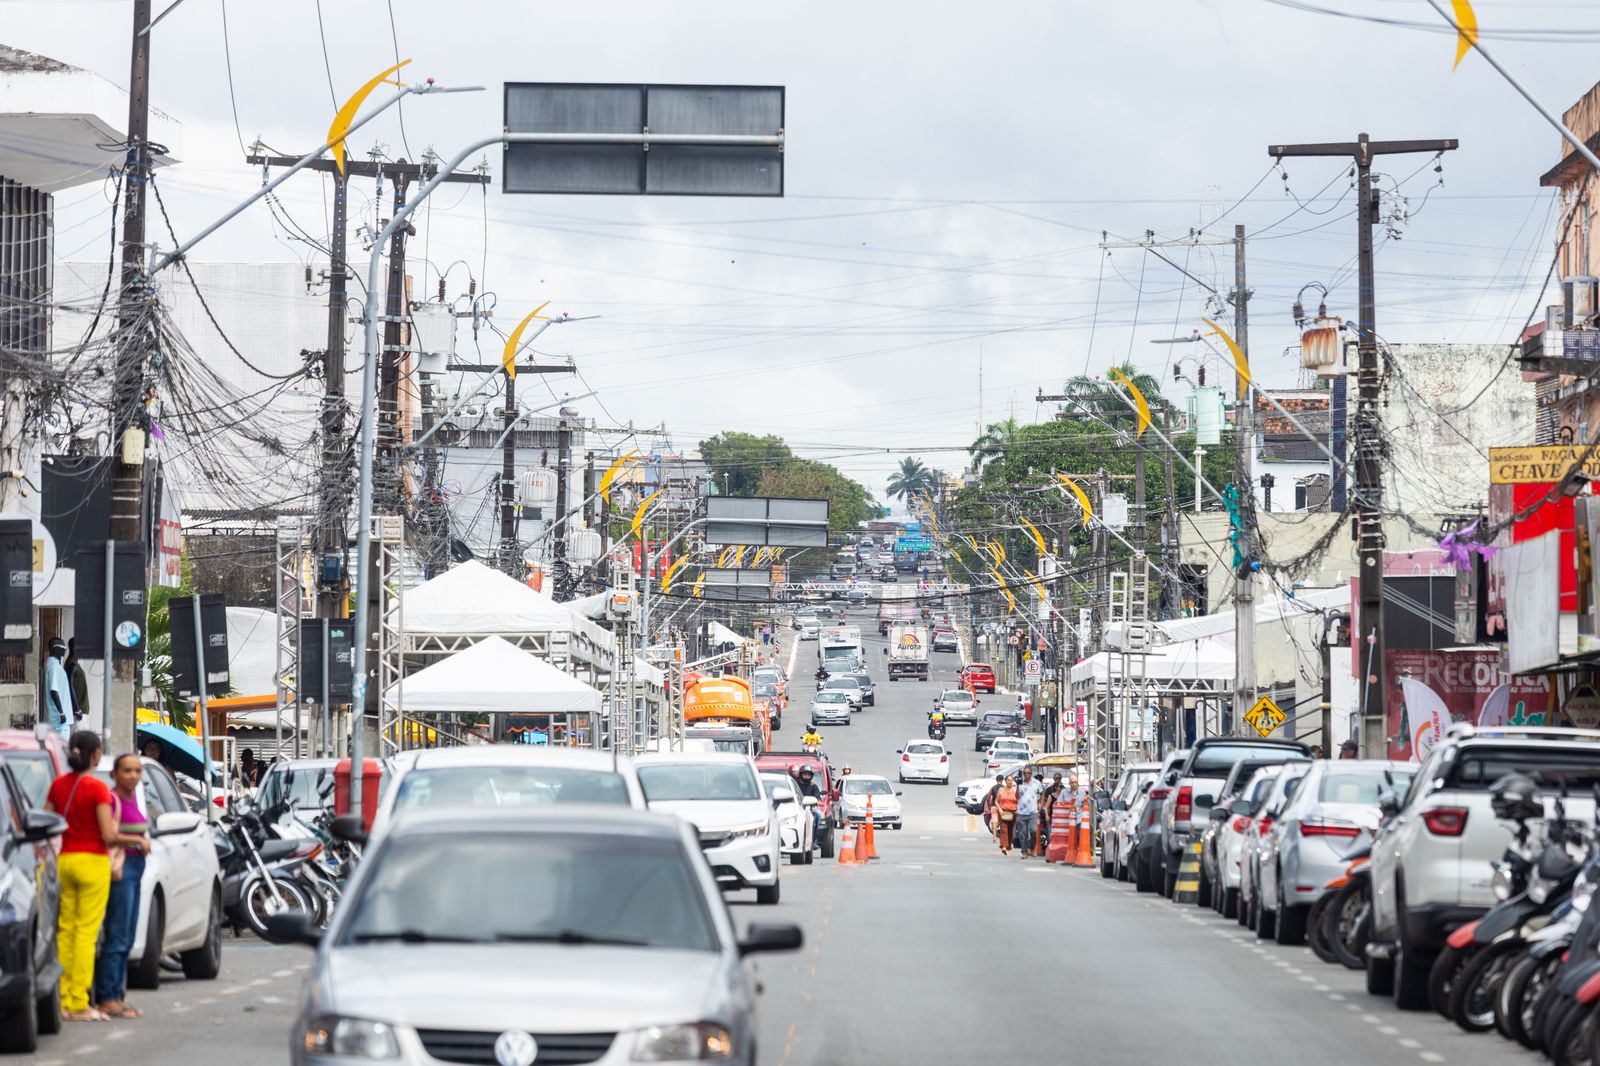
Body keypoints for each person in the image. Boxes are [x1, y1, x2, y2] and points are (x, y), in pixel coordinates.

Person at [46, 731, 145, 1022]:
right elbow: (108, 834)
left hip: (65, 860)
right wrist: (137, 841)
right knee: (86, 935)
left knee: (65, 931)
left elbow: (48, 822)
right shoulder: (97, 788)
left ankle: (62, 1000)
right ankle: (78, 1002)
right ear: (96, 755)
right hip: (92, 863)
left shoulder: (57, 785)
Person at [94, 753, 149, 1019]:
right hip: (121, 869)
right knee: (116, 934)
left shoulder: (133, 798)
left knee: (126, 935)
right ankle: (107, 997)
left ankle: (118, 996)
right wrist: (136, 841)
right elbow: (108, 835)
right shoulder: (111, 798)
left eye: (137, 771)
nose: (133, 776)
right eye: (127, 771)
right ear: (114, 774)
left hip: (136, 868)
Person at [43, 636, 73, 740]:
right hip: (59, 722)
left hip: (60, 721)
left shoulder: (56, 665)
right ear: (55, 648)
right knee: (62, 752)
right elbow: (53, 691)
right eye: (62, 647)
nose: (65, 649)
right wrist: (61, 712)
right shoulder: (54, 667)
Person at [1015, 772, 1043, 858]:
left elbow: (1042, 793)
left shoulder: (1036, 783)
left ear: (1031, 774)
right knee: (1022, 834)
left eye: (1028, 773)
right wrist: (1017, 786)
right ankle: (1024, 852)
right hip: (1021, 812)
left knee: (1033, 831)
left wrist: (1040, 806)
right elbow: (1017, 797)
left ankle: (1032, 848)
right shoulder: (1019, 783)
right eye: (1025, 773)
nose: (1026, 774)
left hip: (1033, 812)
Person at [792, 767, 824, 841]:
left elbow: (817, 798)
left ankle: (814, 838)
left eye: (808, 775)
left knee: (819, 815)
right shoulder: (795, 785)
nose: (806, 776)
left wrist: (818, 802)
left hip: (810, 809)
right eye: (805, 774)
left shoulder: (814, 786)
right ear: (800, 775)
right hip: (796, 808)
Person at [994, 775, 1019, 855]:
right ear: (1005, 781)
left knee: (1010, 830)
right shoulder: (1001, 790)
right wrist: (1000, 809)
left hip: (1013, 813)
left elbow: (1019, 801)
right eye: (1008, 780)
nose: (1010, 781)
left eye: (1011, 780)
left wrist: (1017, 809)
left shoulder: (1015, 791)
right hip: (1003, 812)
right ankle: (1004, 846)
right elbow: (996, 801)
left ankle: (1008, 846)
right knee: (1004, 829)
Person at [66, 638, 89, 724]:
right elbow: (69, 684)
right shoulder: (72, 665)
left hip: (80, 711)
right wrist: (77, 709)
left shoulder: (74, 664)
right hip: (78, 713)